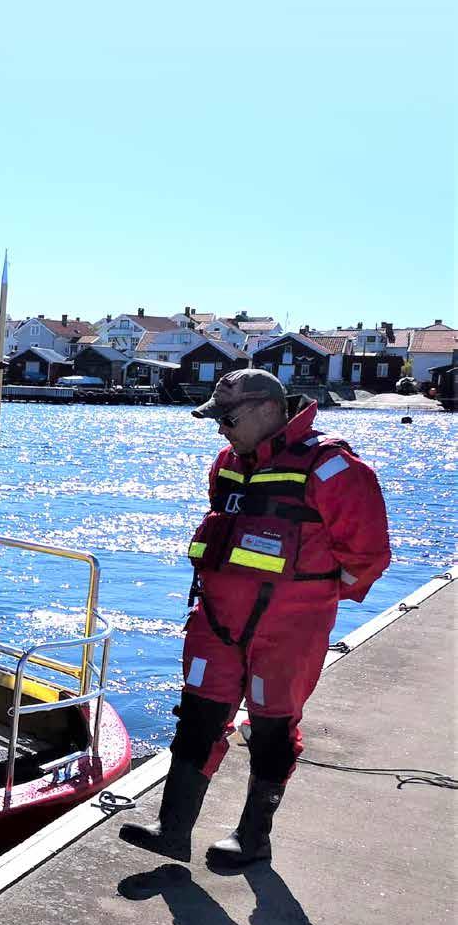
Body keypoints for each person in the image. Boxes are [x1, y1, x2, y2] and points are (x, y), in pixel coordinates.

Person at [121, 369, 390, 867]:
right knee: (198, 717)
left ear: (269, 408)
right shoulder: (226, 463)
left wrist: (308, 603)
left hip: (287, 634)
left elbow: (368, 556)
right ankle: (172, 830)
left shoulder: (333, 467)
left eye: (227, 417)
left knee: (272, 728)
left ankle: (253, 836)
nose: (220, 428)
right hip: (217, 624)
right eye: (215, 418)